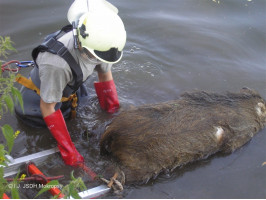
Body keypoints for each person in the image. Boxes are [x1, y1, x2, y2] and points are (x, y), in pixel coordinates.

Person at [15, 0, 127, 167]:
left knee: (81, 118)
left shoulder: (104, 44)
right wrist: (69, 150)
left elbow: (104, 73)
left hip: (70, 90)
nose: (96, 61)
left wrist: (112, 113)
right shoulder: (57, 64)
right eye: (93, 57)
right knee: (55, 136)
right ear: (80, 42)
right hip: (37, 107)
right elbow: (48, 106)